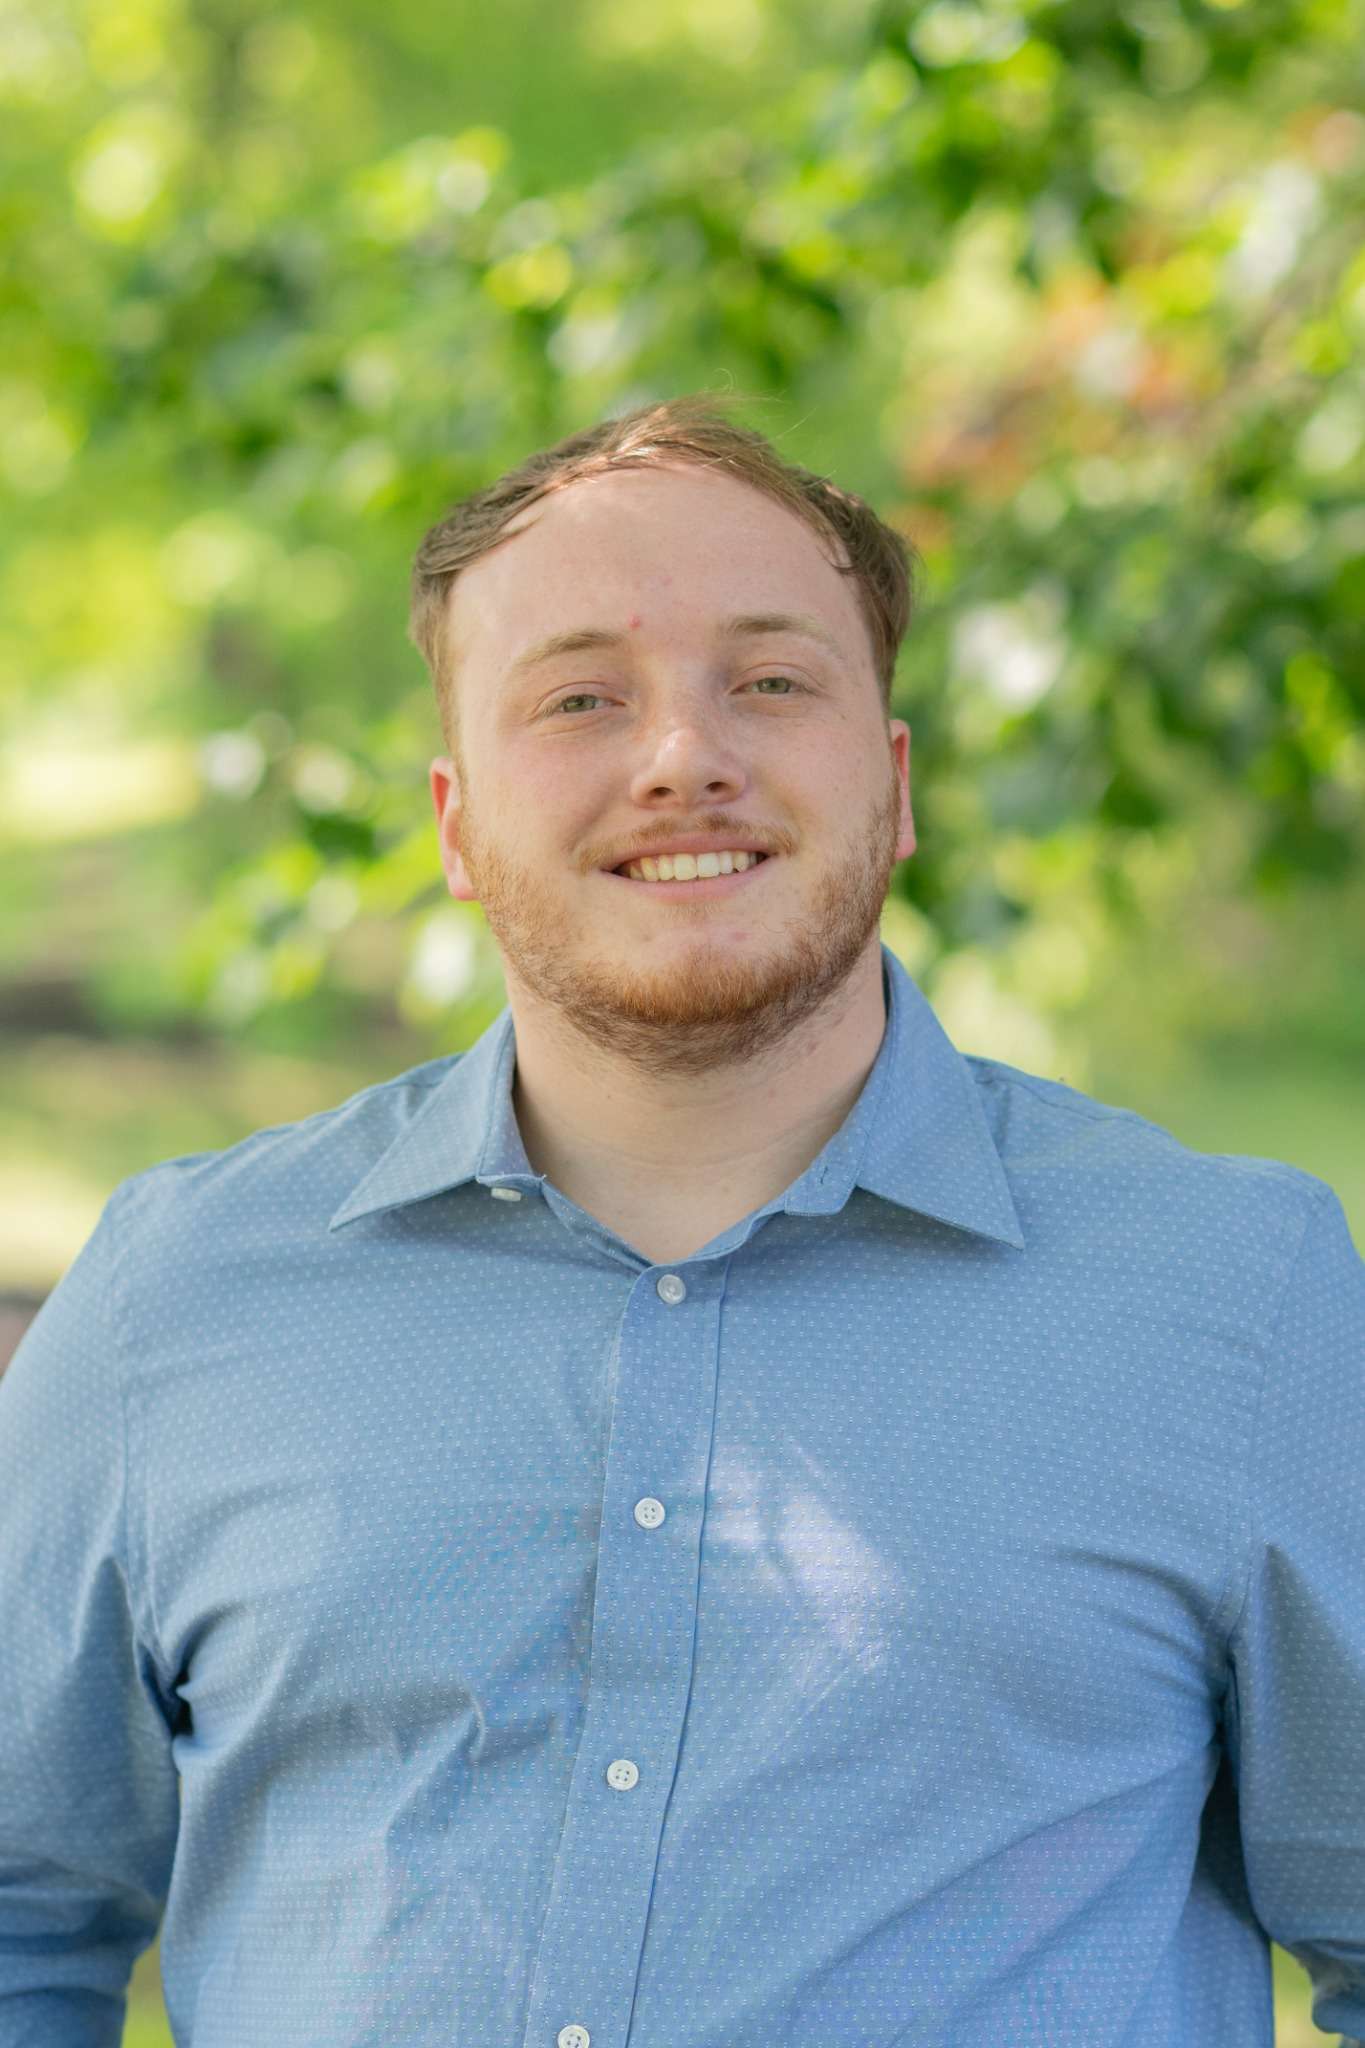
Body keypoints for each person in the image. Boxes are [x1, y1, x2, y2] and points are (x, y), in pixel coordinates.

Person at [1, 394, 1361, 2048]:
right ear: (454, 825)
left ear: (894, 780)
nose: (681, 757)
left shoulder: (1238, 1300)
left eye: (772, 682)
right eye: (579, 698)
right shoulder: (177, 1301)